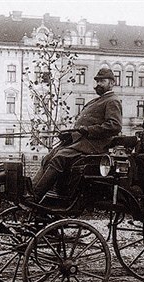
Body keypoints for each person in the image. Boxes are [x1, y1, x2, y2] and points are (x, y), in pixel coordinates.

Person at [30, 67, 123, 201]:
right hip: (81, 142)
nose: (98, 85)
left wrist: (88, 130)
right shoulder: (97, 100)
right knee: (49, 156)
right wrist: (70, 135)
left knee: (60, 157)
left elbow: (115, 126)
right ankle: (33, 191)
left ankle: (36, 196)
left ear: (112, 83)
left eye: (102, 81)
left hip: (94, 145)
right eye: (97, 82)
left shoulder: (112, 100)